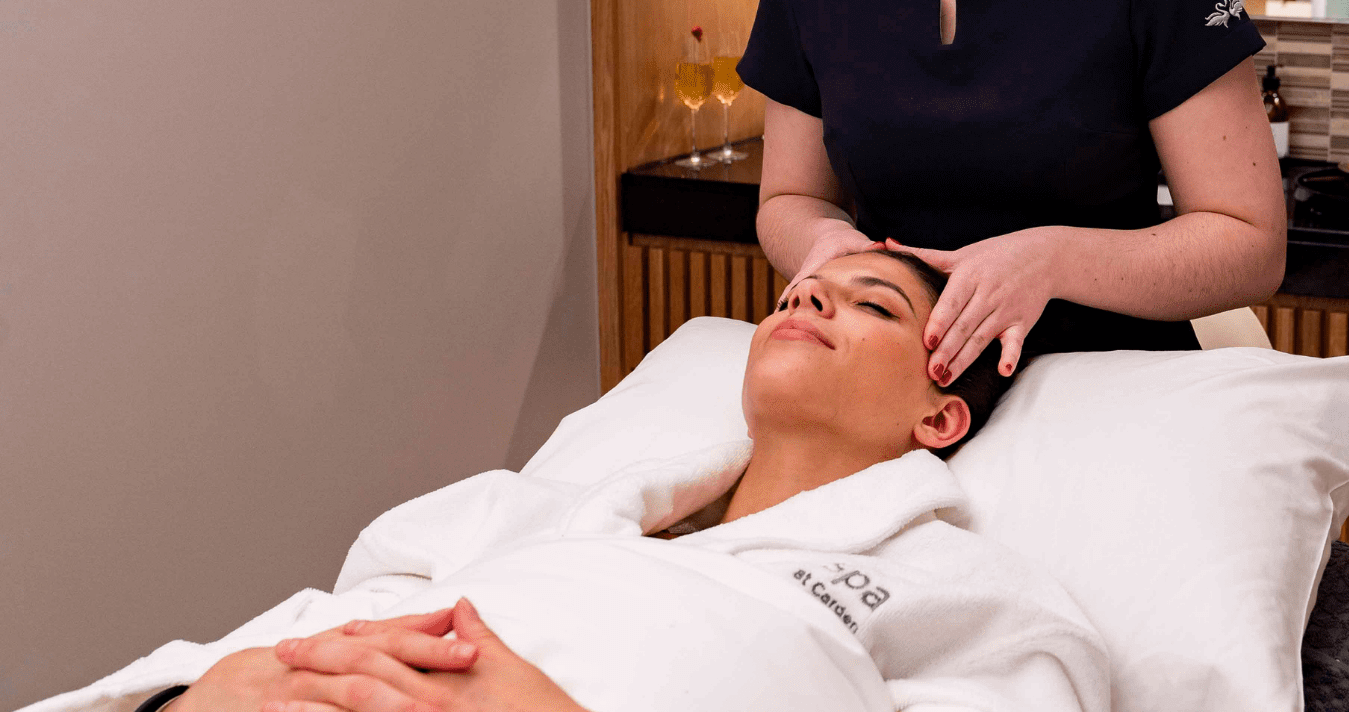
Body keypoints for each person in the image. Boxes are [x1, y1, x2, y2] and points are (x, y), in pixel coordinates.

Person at [30, 251, 1107, 712]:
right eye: (796, 290)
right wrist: (189, 696)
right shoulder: (533, 516)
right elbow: (334, 621)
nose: (806, 301)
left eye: (869, 303)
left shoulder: (969, 595)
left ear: (940, 415)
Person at [743, 0, 1288, 390]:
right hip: (901, 397)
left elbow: (1251, 244)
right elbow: (792, 197)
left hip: (1115, 392)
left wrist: (1052, 263)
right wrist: (824, 241)